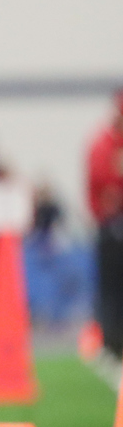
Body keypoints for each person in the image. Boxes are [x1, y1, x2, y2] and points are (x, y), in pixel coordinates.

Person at [86, 90, 123, 359]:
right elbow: (103, 184)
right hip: (112, 226)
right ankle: (112, 339)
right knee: (112, 286)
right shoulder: (104, 144)